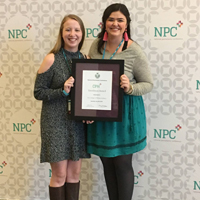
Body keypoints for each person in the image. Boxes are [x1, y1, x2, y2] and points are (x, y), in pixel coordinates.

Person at [86, 3, 153, 200]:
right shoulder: (95, 46)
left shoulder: (134, 50)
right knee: (107, 164)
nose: (115, 23)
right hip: (100, 114)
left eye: (120, 20)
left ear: (126, 24)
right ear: (104, 23)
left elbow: (148, 84)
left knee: (122, 165)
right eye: (111, 19)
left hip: (125, 115)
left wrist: (130, 87)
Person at [34, 14, 90, 200]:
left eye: (77, 30)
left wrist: (91, 113)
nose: (72, 34)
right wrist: (62, 91)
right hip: (55, 124)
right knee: (59, 176)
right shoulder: (51, 58)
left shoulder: (85, 59)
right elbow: (38, 92)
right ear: (61, 33)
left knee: (74, 176)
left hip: (77, 124)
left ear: (82, 33)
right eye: (68, 29)